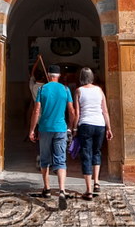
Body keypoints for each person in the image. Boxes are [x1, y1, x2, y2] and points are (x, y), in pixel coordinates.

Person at [28, 63, 76, 210]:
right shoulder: (65, 89)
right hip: (60, 128)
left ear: (48, 75)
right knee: (61, 160)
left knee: (45, 159)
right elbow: (71, 111)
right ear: (59, 75)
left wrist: (32, 129)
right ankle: (61, 190)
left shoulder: (42, 89)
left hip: (45, 128)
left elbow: (36, 110)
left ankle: (47, 189)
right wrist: (72, 127)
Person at [71, 67, 112, 201]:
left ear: (81, 77)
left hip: (85, 124)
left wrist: (74, 128)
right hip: (100, 124)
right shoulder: (99, 90)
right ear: (92, 77)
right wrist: (109, 128)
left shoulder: (79, 91)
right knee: (97, 152)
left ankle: (88, 190)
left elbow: (77, 113)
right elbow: (105, 111)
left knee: (86, 155)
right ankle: (97, 183)